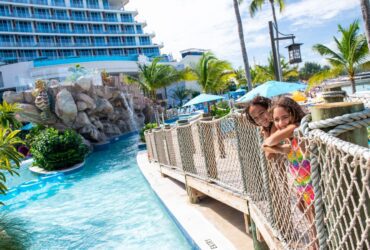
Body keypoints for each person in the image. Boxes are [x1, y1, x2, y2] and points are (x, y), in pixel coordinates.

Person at [267, 96, 316, 246]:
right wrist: (281, 148)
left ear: (294, 114)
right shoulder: (288, 136)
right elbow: (268, 152)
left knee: (316, 227)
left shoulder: (296, 129)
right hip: (301, 186)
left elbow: (267, 143)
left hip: (314, 186)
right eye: (276, 120)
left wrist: (275, 144)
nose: (281, 123)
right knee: (312, 226)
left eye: (285, 117)